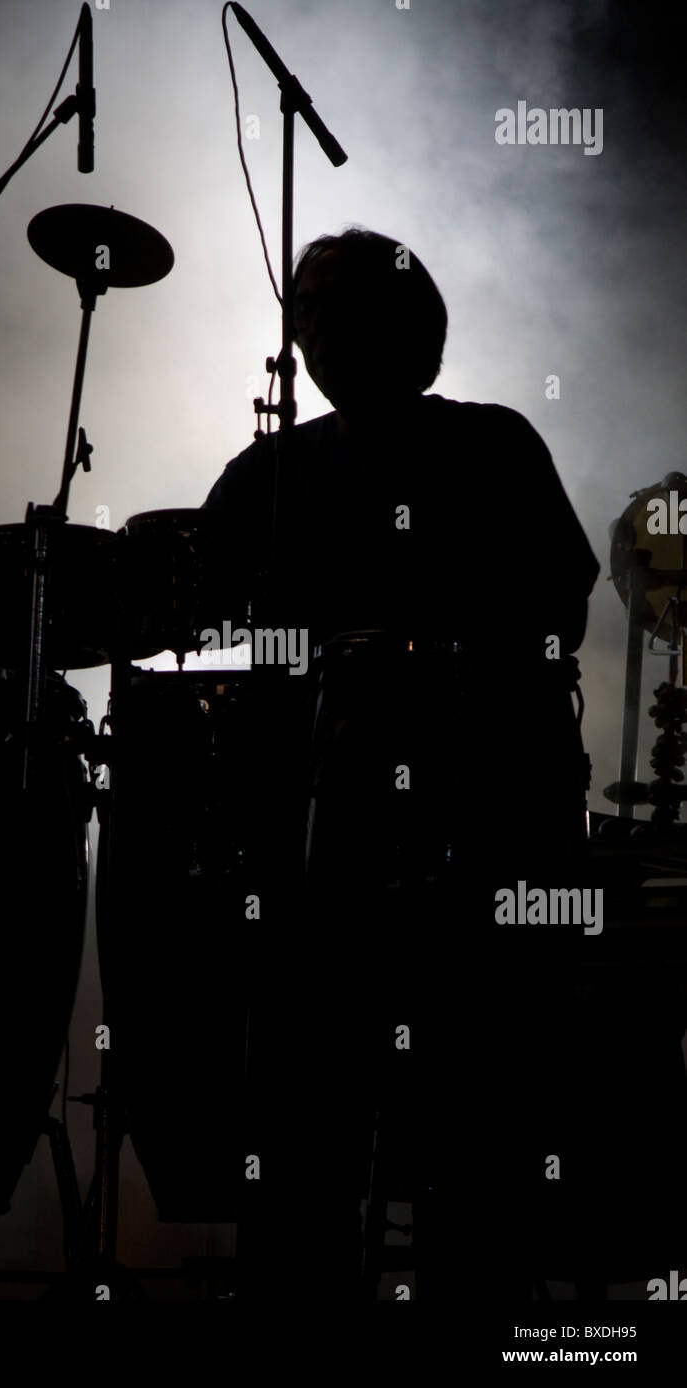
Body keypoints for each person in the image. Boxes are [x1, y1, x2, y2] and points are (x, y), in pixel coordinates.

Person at [202, 227, 601, 1300]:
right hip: (319, 841)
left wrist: (424, 654)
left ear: (416, 331)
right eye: (313, 313)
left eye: (350, 310)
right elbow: (196, 613)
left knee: (486, 1123)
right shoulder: (268, 472)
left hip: (489, 817)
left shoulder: (493, 443)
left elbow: (557, 608)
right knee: (303, 1124)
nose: (328, 334)